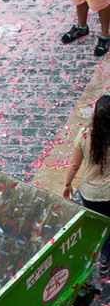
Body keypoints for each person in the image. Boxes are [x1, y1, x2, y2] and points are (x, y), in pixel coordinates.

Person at [63, 94, 110, 275]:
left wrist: (67, 185)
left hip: (90, 193)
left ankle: (89, 257)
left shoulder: (84, 134)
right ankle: (105, 259)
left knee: (96, 224)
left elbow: (74, 165)